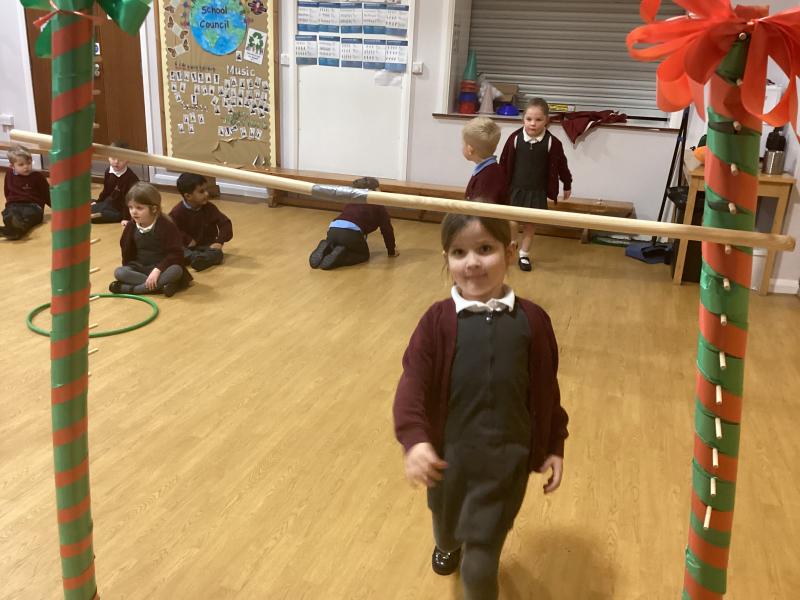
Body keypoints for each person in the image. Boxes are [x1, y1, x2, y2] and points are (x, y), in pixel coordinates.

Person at [393, 214, 569, 600]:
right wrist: (415, 439)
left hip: (506, 463)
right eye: (459, 252)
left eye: (485, 249)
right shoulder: (436, 321)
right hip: (448, 461)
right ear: (447, 259)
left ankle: (474, 559)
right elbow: (412, 384)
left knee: (480, 563)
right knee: (446, 529)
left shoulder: (533, 321)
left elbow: (546, 389)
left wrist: (554, 443)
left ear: (510, 253)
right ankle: (447, 543)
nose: (472, 262)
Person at [499, 98, 572, 271]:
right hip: (515, 189)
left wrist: (567, 183)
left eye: (538, 119)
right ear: (523, 119)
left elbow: (561, 165)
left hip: (537, 191)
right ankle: (511, 246)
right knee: (512, 221)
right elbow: (503, 163)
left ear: (546, 120)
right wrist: (499, 185)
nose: (533, 123)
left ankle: (524, 255)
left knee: (530, 225)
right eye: (529, 119)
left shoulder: (553, 143)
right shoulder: (514, 138)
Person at [109, 182, 191, 297]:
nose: (133, 211)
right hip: (140, 266)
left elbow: (176, 254)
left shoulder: (166, 226)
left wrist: (158, 270)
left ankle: (132, 289)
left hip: (162, 268)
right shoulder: (131, 226)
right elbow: (126, 251)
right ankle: (160, 287)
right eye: (131, 207)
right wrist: (128, 268)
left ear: (153, 209)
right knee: (119, 272)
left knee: (176, 270)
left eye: (139, 208)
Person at [308, 176, 398, 270]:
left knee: (342, 244)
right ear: (375, 190)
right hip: (351, 232)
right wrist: (391, 251)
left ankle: (327, 245)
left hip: (333, 229)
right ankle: (339, 258)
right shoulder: (379, 206)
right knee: (363, 255)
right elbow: (387, 230)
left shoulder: (352, 200)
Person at [170, 173, 233, 271]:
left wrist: (219, 242)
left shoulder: (209, 208)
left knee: (218, 253)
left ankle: (198, 259)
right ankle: (196, 258)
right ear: (188, 196)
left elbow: (225, 223)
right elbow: (171, 230)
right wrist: (187, 239)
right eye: (201, 192)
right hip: (187, 247)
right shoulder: (177, 212)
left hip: (206, 246)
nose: (206, 194)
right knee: (176, 251)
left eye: (206, 190)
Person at [1, 145, 50, 240]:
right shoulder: (9, 174)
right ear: (12, 166)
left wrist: (58, 208)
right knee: (9, 212)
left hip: (33, 206)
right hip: (14, 204)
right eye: (21, 165)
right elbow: (7, 190)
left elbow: (47, 194)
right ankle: (14, 230)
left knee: (28, 216)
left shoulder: (37, 176)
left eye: (28, 163)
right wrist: (10, 203)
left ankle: (13, 230)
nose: (26, 167)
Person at [91, 141, 140, 223]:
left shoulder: (131, 178)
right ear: (108, 157)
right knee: (84, 205)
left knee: (93, 217)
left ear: (128, 160)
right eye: (113, 158)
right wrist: (98, 202)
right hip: (109, 202)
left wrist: (126, 218)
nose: (116, 162)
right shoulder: (108, 171)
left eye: (121, 159)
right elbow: (106, 191)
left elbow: (129, 201)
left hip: (120, 209)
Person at [462, 117, 507, 204]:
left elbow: (480, 210)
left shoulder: (489, 178)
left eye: (463, 143)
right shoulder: (488, 171)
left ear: (470, 149)